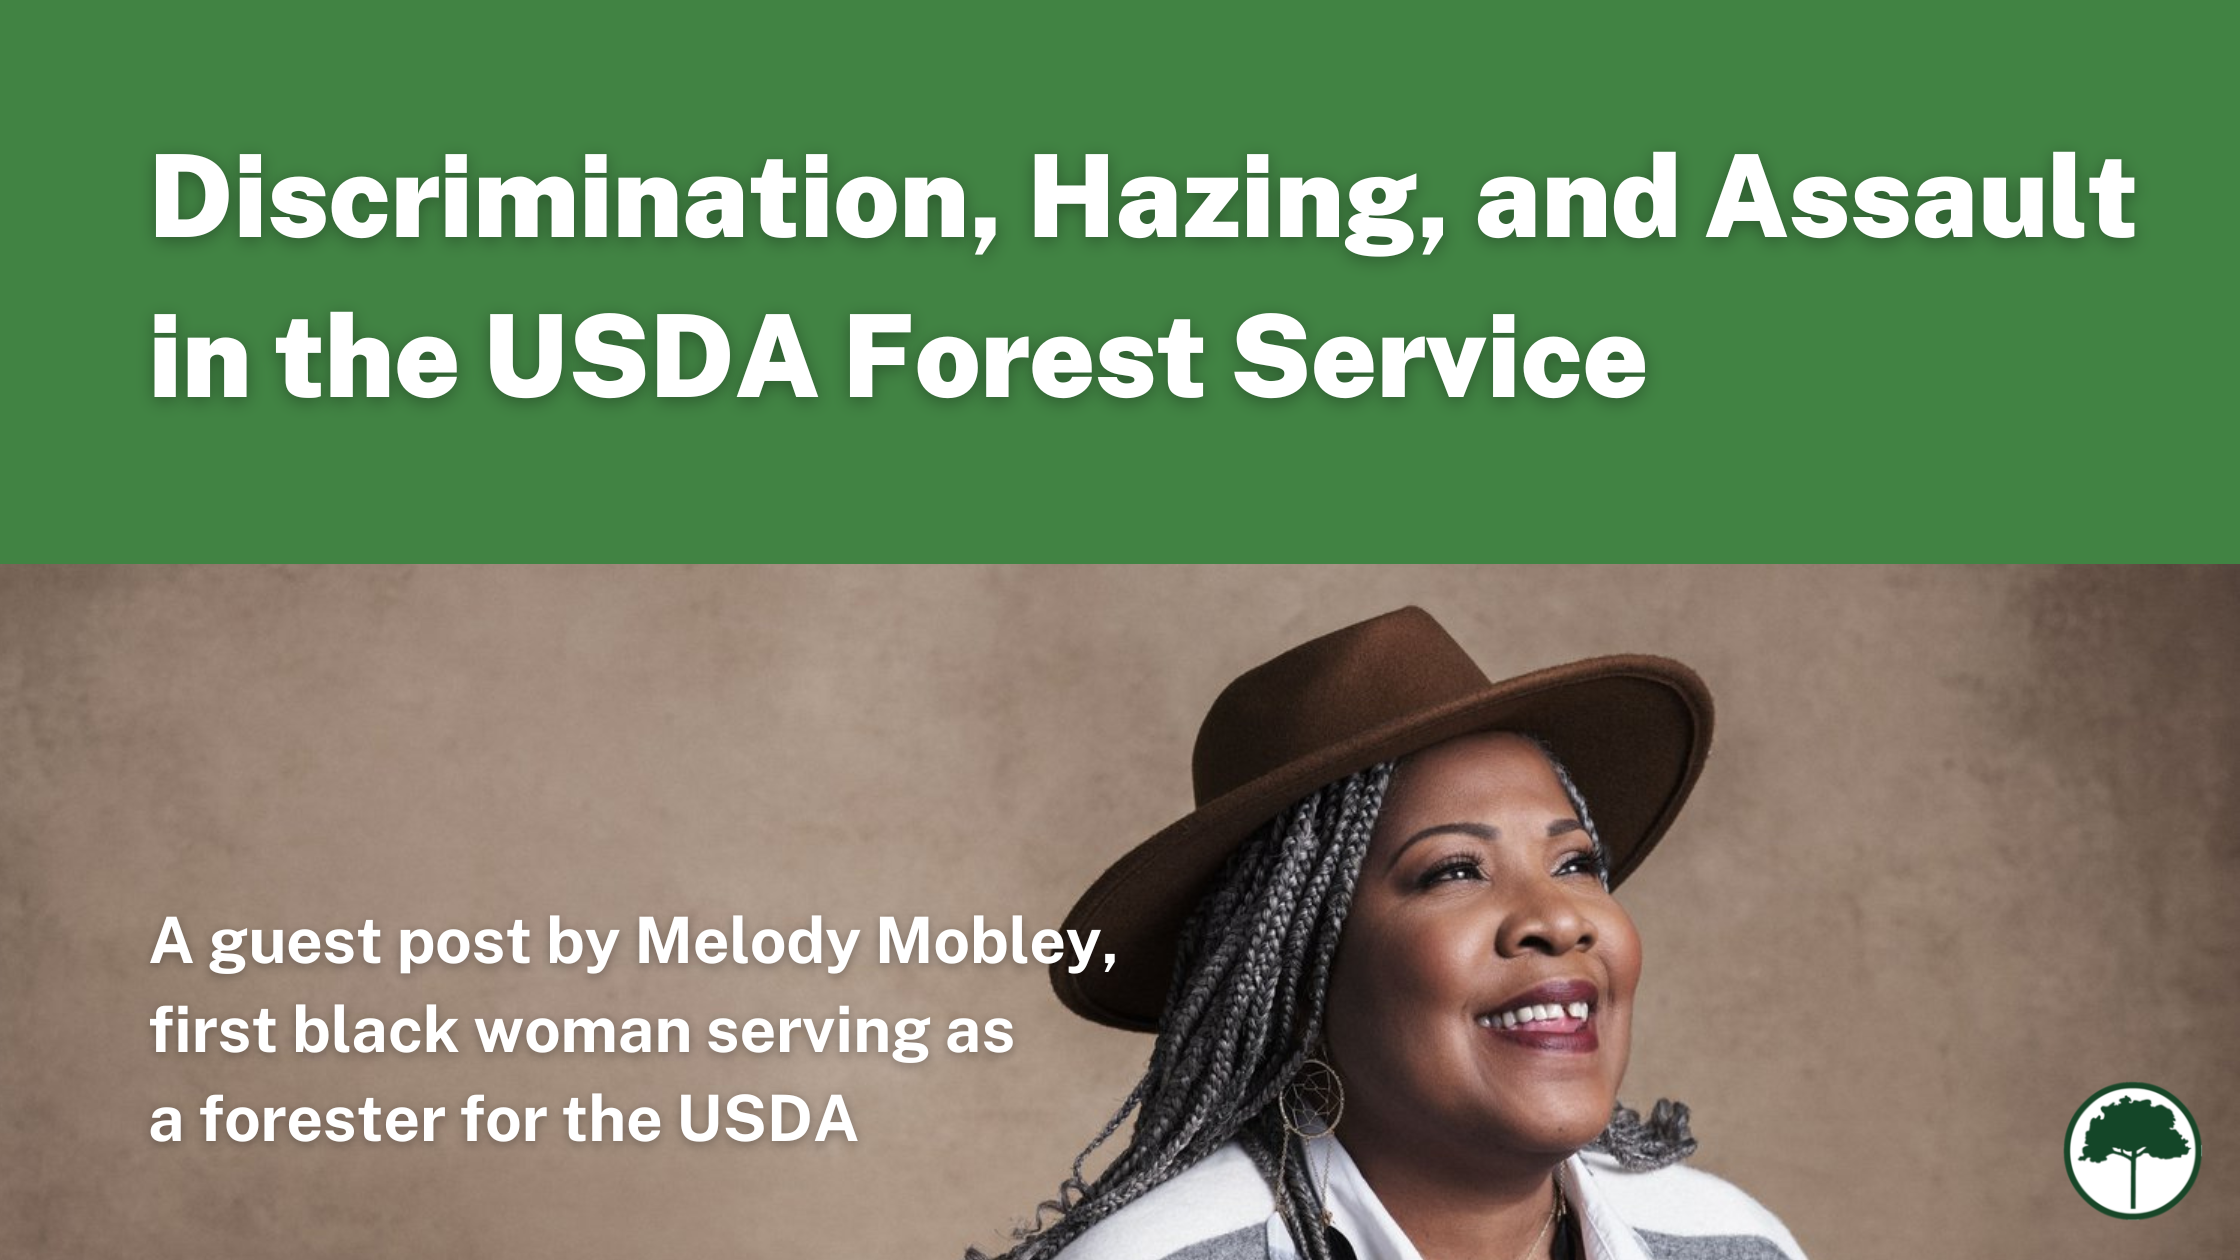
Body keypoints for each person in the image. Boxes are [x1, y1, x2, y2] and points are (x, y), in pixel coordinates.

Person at [971, 607, 1807, 1260]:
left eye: (1575, 863)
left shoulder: (1730, 1242)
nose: (1557, 920)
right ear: (1303, 968)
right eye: (1453, 871)